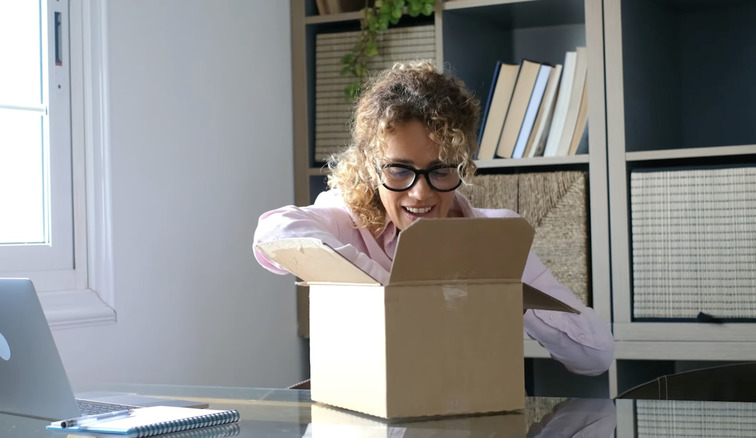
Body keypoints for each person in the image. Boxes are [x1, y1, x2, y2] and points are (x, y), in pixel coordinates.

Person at [253, 60, 614, 376]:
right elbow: (274, 231)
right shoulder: (347, 220)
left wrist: (513, 295)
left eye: (440, 171)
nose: (420, 193)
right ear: (369, 166)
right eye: (398, 171)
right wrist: (387, 291)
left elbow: (596, 357)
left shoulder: (494, 235)